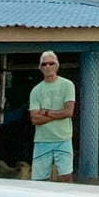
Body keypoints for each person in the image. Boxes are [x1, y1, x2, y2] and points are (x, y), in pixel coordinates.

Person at [29, 51, 77, 182]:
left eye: (51, 63)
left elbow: (69, 112)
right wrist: (58, 114)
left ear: (57, 66)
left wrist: (45, 112)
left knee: (66, 176)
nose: (48, 66)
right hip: (42, 140)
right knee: (39, 180)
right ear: (40, 68)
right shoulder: (36, 90)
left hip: (63, 138)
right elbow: (34, 119)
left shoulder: (68, 85)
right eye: (44, 64)